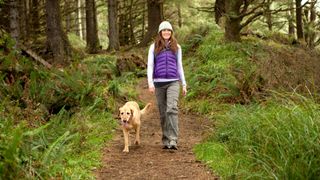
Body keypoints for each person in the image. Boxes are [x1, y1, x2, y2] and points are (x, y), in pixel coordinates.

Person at [147, 21, 187, 150]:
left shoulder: (177, 47)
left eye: (168, 30)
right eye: (164, 30)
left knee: (172, 109)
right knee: (163, 113)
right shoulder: (153, 47)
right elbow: (150, 66)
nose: (166, 32)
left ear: (171, 32)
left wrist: (184, 83)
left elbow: (179, 66)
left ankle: (173, 140)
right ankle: (166, 139)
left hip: (173, 82)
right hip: (159, 83)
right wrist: (150, 83)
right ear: (160, 32)